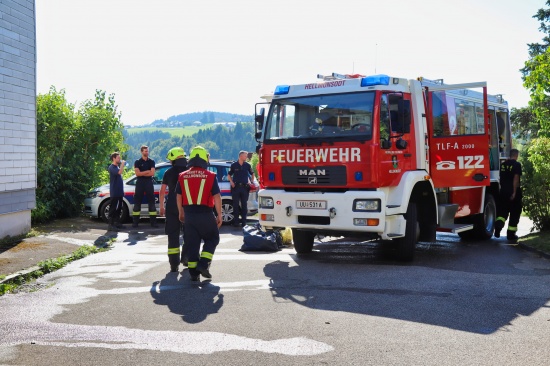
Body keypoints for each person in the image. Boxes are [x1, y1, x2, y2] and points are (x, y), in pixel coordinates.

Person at [176, 146, 223, 281]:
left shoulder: (182, 176)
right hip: (205, 213)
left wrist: (181, 212)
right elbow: (217, 196)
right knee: (213, 238)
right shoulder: (210, 176)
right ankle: (203, 264)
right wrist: (219, 214)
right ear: (204, 159)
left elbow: (178, 196)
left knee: (193, 243)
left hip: (189, 215)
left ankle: (193, 273)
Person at [159, 147, 188, 272]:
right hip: (187, 206)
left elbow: (162, 191)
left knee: (173, 235)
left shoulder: (168, 172)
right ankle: (187, 259)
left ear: (174, 159)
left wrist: (161, 206)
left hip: (172, 206)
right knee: (189, 234)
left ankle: (174, 265)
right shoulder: (189, 171)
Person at [494, 149, 522, 241]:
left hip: (503, 192)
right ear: (516, 155)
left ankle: (497, 228)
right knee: (514, 213)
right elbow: (516, 178)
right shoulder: (517, 165)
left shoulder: (503, 165)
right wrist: (514, 192)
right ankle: (510, 235)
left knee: (502, 213)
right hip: (513, 193)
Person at [228, 150, 255, 227]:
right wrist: (231, 182)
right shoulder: (234, 165)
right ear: (240, 156)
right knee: (235, 205)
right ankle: (236, 222)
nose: (246, 157)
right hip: (236, 187)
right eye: (245, 156)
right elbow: (229, 175)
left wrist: (251, 182)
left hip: (244, 188)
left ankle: (244, 222)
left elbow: (252, 173)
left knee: (244, 205)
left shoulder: (247, 165)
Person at [132, 145, 158, 228]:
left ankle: (153, 223)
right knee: (137, 203)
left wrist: (142, 172)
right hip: (140, 183)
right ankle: (135, 223)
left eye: (148, 151)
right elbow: (137, 174)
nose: (147, 152)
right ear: (141, 152)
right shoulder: (137, 162)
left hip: (149, 182)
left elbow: (152, 173)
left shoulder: (151, 161)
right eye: (145, 151)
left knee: (152, 203)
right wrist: (147, 171)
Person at [108, 152, 126, 231]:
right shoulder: (112, 167)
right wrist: (122, 164)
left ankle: (117, 223)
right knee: (113, 208)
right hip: (114, 192)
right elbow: (119, 172)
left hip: (119, 192)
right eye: (118, 158)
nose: (119, 159)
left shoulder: (117, 167)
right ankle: (110, 225)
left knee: (119, 208)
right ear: (114, 158)